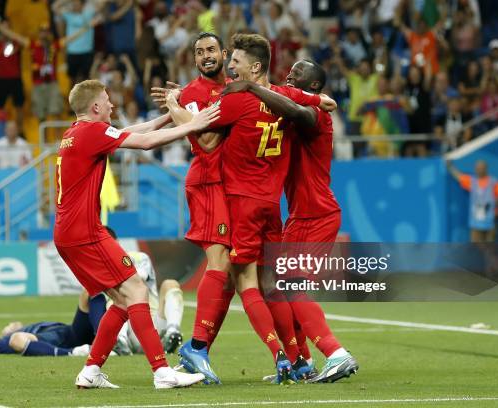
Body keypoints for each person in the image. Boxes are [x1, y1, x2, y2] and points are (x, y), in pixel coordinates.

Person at [163, 33, 334, 384]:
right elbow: (324, 102)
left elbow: (207, 140)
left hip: (239, 199)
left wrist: (174, 106)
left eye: (232, 60)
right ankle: (298, 360)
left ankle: (210, 348)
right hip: (271, 203)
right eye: (201, 52)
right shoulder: (284, 98)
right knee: (268, 282)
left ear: (249, 65)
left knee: (242, 278)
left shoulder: (238, 99)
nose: (229, 67)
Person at [54, 79, 219, 389]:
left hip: (68, 233)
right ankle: (162, 372)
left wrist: (172, 114)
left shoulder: (74, 134)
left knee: (121, 300)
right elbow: (145, 143)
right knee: (137, 290)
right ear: (96, 107)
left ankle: (90, 371)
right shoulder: (92, 132)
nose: (113, 105)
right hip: (86, 232)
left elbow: (135, 132)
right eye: (108, 100)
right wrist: (192, 125)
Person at [224, 59, 358, 383]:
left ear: (314, 87)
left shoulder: (317, 115)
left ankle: (337, 353)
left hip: (319, 214)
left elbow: (299, 112)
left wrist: (254, 86)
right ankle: (304, 363)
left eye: (298, 73)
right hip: (297, 216)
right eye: (290, 71)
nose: (290, 75)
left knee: (293, 286)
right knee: (282, 291)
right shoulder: (287, 107)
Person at [150, 32, 234, 385]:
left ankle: (199, 351)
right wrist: (176, 105)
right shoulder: (195, 95)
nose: (205, 56)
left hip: (232, 186)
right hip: (209, 182)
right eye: (199, 52)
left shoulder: (235, 87)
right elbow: (209, 141)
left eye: (211, 50)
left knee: (233, 273)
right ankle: (196, 346)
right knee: (220, 263)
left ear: (224, 54)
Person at [102, 227, 184, 356]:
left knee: (170, 284)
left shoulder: (138, 257)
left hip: (154, 323)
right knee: (116, 296)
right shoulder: (100, 266)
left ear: (116, 242)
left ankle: (172, 334)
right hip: (129, 328)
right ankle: (120, 341)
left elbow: (138, 278)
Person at [447, 160, 498, 242]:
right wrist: (450, 167)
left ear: (486, 169)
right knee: (476, 247)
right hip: (476, 223)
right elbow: (459, 177)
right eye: (477, 168)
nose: (479, 170)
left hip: (490, 223)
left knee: (490, 249)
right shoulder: (472, 182)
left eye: (481, 168)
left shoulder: (493, 183)